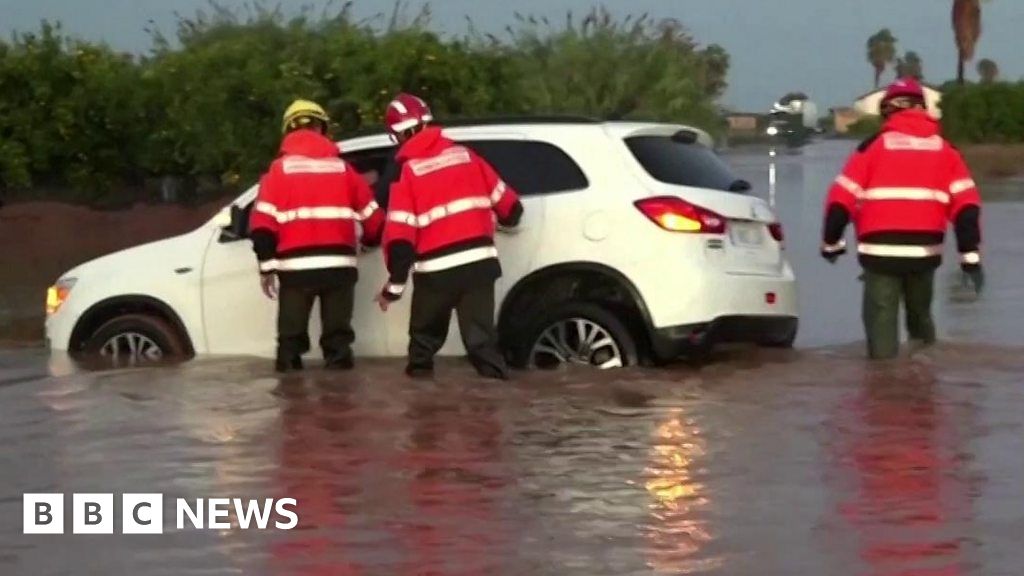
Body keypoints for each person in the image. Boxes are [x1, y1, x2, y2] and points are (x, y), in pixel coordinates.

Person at [821, 77, 983, 360]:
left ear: (887, 110)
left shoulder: (871, 148)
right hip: (925, 252)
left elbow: (839, 202)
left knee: (881, 326)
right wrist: (970, 259)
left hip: (879, 252)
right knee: (921, 320)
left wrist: (831, 244)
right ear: (922, 108)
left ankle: (883, 386)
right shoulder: (946, 150)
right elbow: (966, 208)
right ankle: (924, 382)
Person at [374, 93, 524, 379]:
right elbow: (512, 209)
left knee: (422, 351)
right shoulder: (468, 157)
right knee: (482, 347)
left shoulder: (409, 172)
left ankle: (424, 418)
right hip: (479, 267)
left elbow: (401, 241)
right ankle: (498, 411)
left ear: (398, 135)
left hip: (436, 276)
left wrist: (392, 289)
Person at [250, 99, 384, 372]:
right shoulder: (344, 170)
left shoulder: (278, 172)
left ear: (288, 131)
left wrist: (266, 269)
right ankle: (341, 406)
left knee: (290, 343)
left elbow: (262, 228)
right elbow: (375, 222)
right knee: (338, 343)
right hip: (339, 270)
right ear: (322, 128)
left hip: (296, 272)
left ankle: (292, 404)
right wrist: (368, 243)